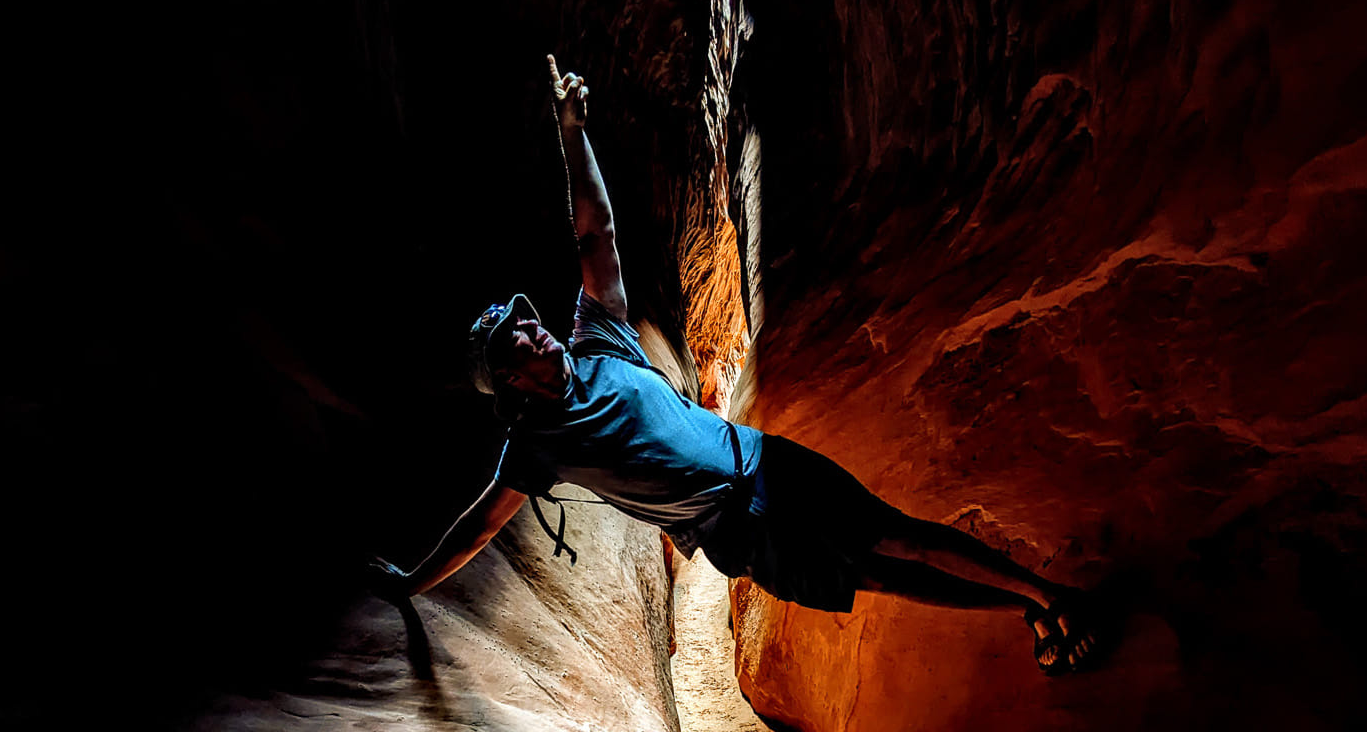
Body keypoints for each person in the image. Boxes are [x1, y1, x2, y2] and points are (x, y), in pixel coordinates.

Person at [370, 57, 1110, 675]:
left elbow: (597, 231)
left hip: (763, 466)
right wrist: (412, 582)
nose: (535, 331)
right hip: (739, 536)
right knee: (877, 577)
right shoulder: (538, 445)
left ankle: (1047, 592)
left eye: (529, 322)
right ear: (512, 383)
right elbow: (477, 529)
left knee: (894, 535)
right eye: (519, 342)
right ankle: (1027, 605)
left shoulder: (598, 336)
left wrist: (572, 134)